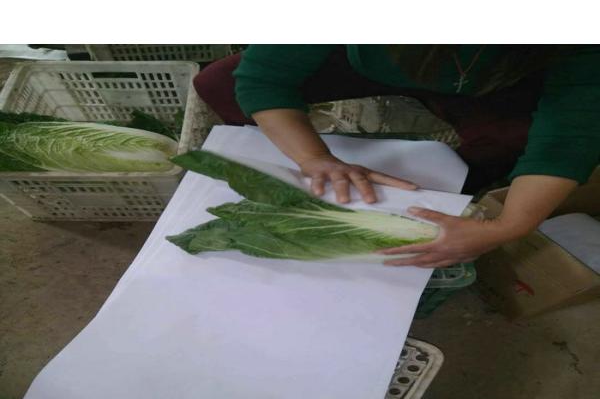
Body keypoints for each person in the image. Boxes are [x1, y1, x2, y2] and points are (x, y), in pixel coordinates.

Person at [193, 44, 600, 268]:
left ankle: (462, 183)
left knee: (511, 143)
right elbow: (264, 78)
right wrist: (314, 158)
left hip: (501, 81)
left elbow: (568, 136)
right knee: (218, 84)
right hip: (368, 62)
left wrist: (509, 226)